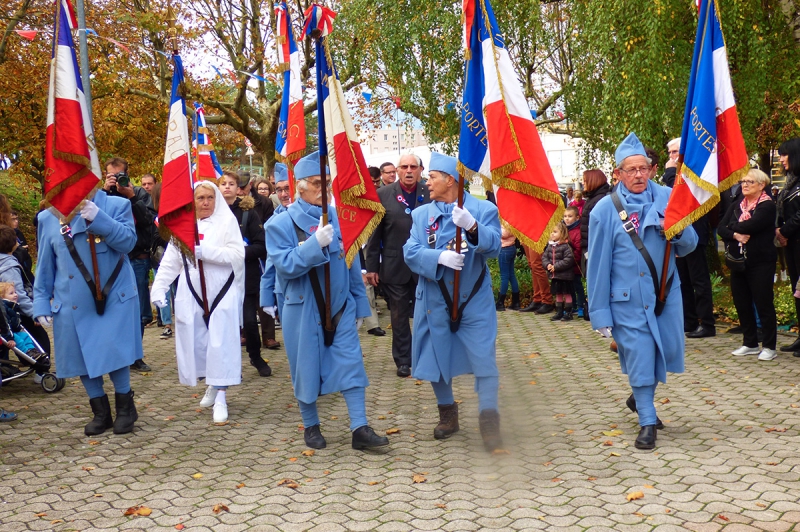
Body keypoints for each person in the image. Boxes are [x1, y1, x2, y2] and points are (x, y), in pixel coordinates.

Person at [265, 151, 389, 451]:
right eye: (317, 183)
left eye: (327, 183)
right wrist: (312, 245)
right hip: (302, 308)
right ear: (300, 187)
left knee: (351, 364)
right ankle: (311, 424)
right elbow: (284, 266)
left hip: (340, 307)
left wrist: (361, 307)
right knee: (305, 367)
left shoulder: (340, 219)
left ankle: (359, 427)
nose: (324, 189)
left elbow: (350, 263)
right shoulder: (279, 225)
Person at [588, 133, 697, 451]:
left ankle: (639, 396)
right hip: (626, 300)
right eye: (630, 170)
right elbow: (597, 266)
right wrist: (600, 312)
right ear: (618, 174)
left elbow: (690, 245)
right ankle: (648, 421)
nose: (638, 175)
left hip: (665, 295)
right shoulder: (604, 211)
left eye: (643, 168)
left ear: (651, 169)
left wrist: (675, 234)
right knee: (640, 354)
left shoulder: (669, 197)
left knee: (665, 352)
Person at [403, 152, 503, 452]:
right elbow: (410, 251)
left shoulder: (482, 210)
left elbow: (495, 247)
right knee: (436, 356)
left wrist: (473, 227)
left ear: (451, 180)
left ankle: (489, 418)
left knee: (484, 357)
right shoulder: (421, 215)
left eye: (431, 176)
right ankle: (447, 413)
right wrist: (438, 256)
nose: (426, 180)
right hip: (434, 298)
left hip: (473, 298)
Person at [34, 191, 143, 436]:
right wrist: (41, 301)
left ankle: (125, 407)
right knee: (80, 353)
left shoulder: (117, 205)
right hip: (71, 299)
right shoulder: (48, 217)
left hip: (112, 295)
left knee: (114, 349)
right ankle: (100, 411)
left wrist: (99, 218)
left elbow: (128, 243)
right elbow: (45, 263)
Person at [150, 181, 245, 424]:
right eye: (200, 197)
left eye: (210, 198)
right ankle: (212, 383)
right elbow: (172, 261)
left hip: (221, 291)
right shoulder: (184, 227)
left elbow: (237, 254)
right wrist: (159, 287)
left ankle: (222, 395)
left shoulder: (226, 222)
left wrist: (207, 252)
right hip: (192, 291)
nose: (205, 202)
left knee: (221, 342)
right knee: (200, 343)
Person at [365, 153, 430, 377]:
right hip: (395, 265)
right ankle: (403, 360)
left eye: (413, 166)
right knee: (399, 316)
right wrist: (371, 266)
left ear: (421, 170)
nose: (409, 170)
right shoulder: (382, 195)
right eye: (404, 167)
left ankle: (426, 355)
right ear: (397, 170)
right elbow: (374, 233)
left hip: (426, 266)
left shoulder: (430, 193)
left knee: (427, 313)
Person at [717, 168, 777, 360]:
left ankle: (769, 346)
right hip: (738, 261)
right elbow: (721, 228)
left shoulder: (767, 205)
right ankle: (750, 342)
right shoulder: (737, 204)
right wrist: (735, 234)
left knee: (763, 303)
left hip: (760, 261)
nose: (745, 184)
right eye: (743, 181)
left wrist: (732, 228)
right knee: (741, 303)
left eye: (750, 182)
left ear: (762, 185)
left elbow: (752, 225)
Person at [103, 157, 156, 372]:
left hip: (136, 259)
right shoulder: (101, 197)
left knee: (138, 311)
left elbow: (148, 222)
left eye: (120, 175)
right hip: (108, 260)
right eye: (111, 176)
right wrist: (106, 192)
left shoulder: (140, 194)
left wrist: (132, 197)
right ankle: (113, 355)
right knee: (110, 309)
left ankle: (135, 355)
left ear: (128, 174)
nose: (117, 180)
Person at [218, 171, 272, 376]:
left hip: (245, 276)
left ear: (238, 187)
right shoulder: (209, 214)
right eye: (223, 183)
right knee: (224, 324)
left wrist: (238, 253)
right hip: (219, 278)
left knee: (249, 321)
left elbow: (261, 246)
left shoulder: (248, 213)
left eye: (232, 183)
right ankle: (229, 363)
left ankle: (255, 356)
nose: (227, 187)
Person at [775, 138, 800, 354]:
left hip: (797, 240)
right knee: (797, 291)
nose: (781, 159)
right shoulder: (792, 181)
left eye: (784, 154)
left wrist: (784, 230)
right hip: (792, 245)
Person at [579, 169, 610, 320]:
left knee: (597, 278)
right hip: (588, 244)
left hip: (595, 246)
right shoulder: (593, 198)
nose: (583, 184)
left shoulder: (600, 200)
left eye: (585, 181)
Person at [542, 222, 576, 321]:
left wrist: (555, 267)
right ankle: (559, 311)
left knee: (567, 293)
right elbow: (544, 257)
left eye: (555, 232)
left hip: (565, 276)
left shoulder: (566, 246)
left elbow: (568, 260)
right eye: (551, 232)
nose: (552, 234)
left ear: (562, 233)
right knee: (558, 293)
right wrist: (547, 265)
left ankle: (568, 312)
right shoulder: (550, 246)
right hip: (555, 276)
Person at [564, 206, 585, 318]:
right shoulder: (564, 230)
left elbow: (578, 250)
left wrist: (570, 259)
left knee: (578, 287)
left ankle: (581, 305)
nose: (567, 219)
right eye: (565, 216)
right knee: (569, 287)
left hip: (574, 265)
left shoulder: (577, 232)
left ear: (577, 217)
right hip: (566, 267)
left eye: (570, 216)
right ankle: (572, 306)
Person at [496, 226, 520, 311]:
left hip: (505, 249)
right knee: (511, 275)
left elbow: (504, 234)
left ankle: (500, 303)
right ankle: (516, 302)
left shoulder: (507, 220)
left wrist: (496, 228)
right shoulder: (513, 219)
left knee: (504, 276)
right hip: (511, 247)